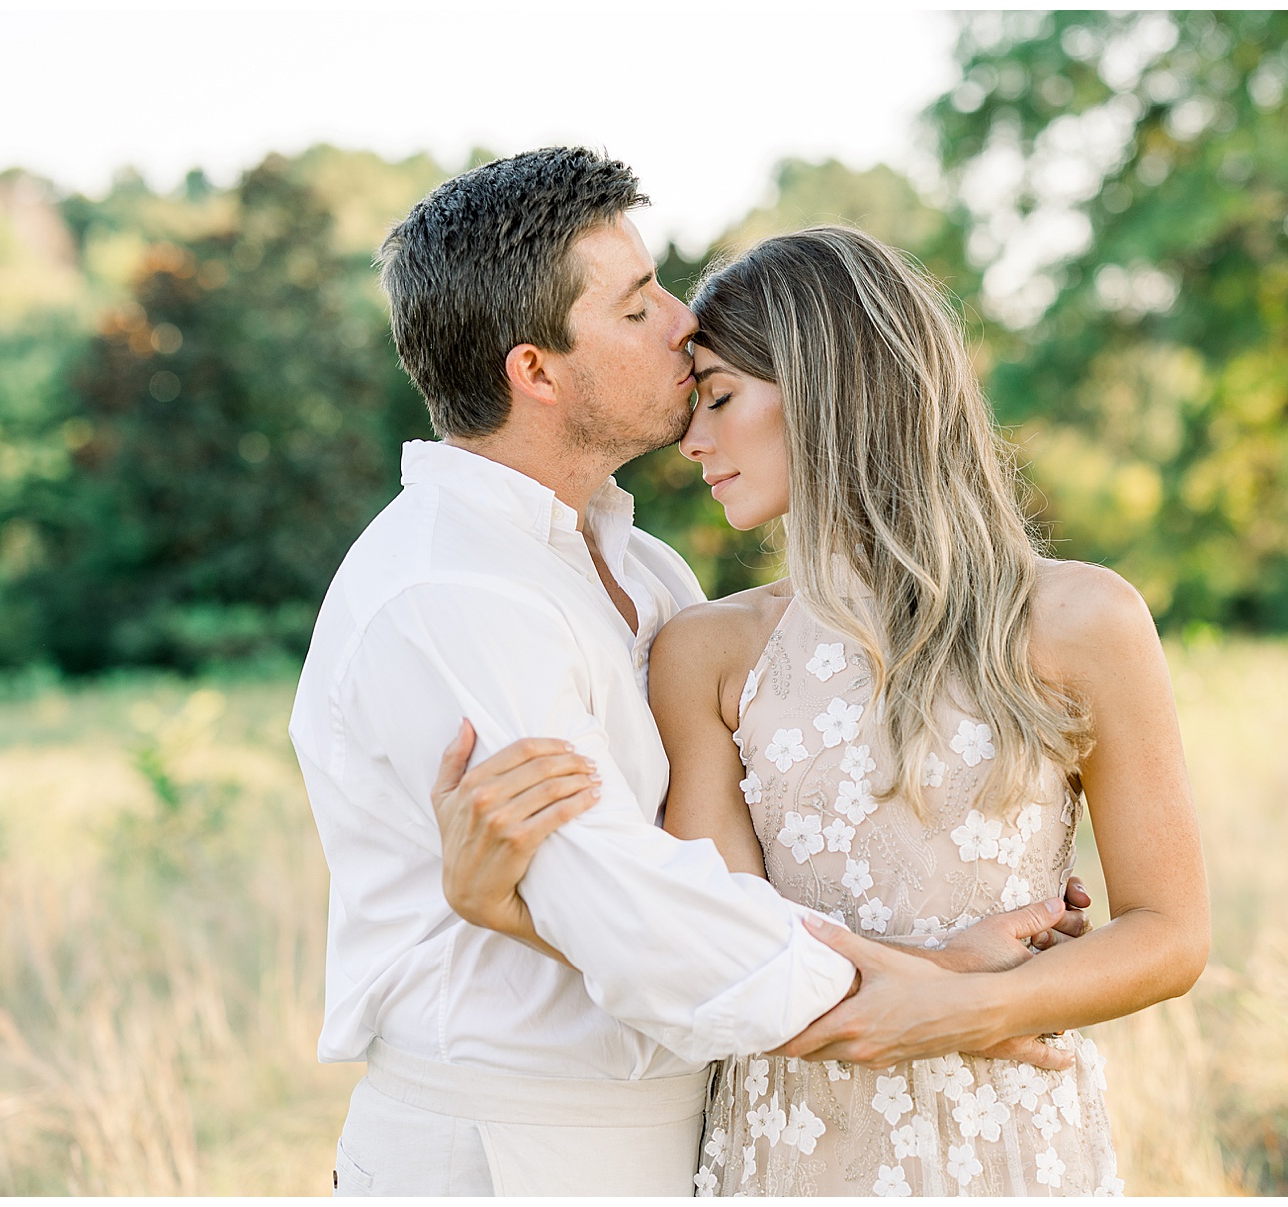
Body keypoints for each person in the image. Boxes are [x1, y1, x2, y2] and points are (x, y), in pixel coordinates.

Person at [290, 149, 1090, 1198]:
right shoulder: (449, 594)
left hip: (698, 1127)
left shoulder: (641, 567)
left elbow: (714, 871)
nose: (682, 322)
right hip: (509, 1147)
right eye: (635, 309)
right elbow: (633, 914)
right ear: (535, 371)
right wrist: (943, 989)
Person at [437, 227, 1210, 1196]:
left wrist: (950, 1011)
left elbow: (1170, 934)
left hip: (1012, 1143)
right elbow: (703, 943)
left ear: (830, 387)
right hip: (787, 1142)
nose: (692, 438)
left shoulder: (1080, 619)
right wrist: (957, 983)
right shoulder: (707, 653)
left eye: (717, 396)